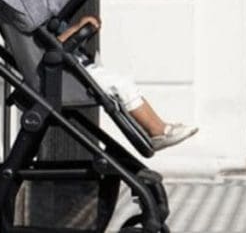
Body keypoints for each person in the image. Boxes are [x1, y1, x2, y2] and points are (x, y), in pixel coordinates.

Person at [57, 14, 198, 151]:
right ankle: (157, 130)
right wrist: (78, 28)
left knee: (123, 84)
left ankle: (158, 128)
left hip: (76, 65)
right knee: (120, 86)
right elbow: (58, 44)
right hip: (68, 72)